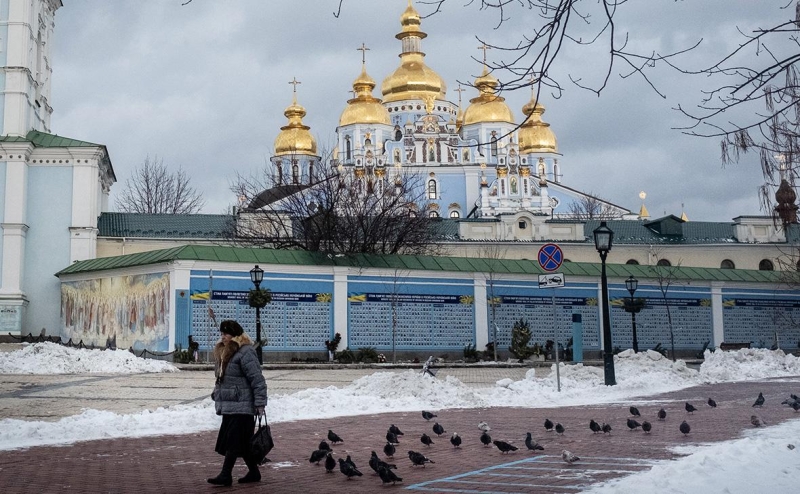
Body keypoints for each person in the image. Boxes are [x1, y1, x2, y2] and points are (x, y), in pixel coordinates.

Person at [207, 320, 267, 486]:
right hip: (230, 404)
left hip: (242, 404)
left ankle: (226, 475)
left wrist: (260, 402)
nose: (223, 337)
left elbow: (257, 379)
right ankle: (254, 473)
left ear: (235, 335)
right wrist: (217, 393)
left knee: (233, 441)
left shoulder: (245, 351)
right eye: (222, 333)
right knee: (243, 443)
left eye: (226, 333)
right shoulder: (223, 351)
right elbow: (223, 378)